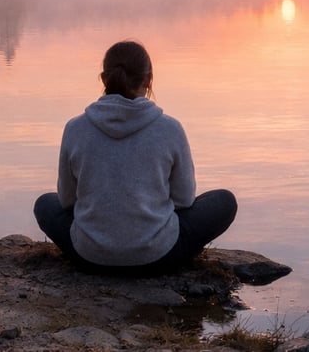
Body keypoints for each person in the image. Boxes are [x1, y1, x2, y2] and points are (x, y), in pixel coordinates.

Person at [34, 40, 237, 274]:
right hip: (158, 256)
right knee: (224, 201)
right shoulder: (170, 129)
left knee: (45, 204)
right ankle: (151, 248)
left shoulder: (75, 128)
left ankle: (104, 246)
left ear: (103, 79)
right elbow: (184, 200)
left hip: (90, 257)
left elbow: (67, 201)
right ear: (148, 80)